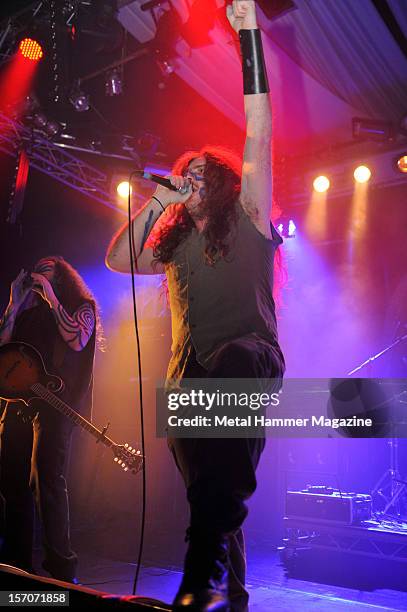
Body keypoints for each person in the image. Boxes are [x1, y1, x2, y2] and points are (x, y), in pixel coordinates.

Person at [106, 1, 284, 609]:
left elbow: (259, 129)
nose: (198, 176)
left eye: (209, 171)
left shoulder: (252, 217)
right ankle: (229, 588)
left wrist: (249, 35)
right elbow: (118, 262)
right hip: (188, 376)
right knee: (209, 486)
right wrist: (159, 202)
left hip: (249, 356)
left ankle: (200, 580)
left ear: (230, 183)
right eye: (190, 172)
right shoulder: (175, 242)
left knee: (219, 466)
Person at [0, 256, 98, 583]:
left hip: (57, 403)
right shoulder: (28, 313)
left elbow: (77, 339)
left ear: (63, 276)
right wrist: (14, 303)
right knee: (10, 477)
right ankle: (16, 563)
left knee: (45, 478)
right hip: (18, 402)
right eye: (36, 268)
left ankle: (61, 569)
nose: (38, 272)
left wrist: (52, 298)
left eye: (47, 267)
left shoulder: (81, 306)